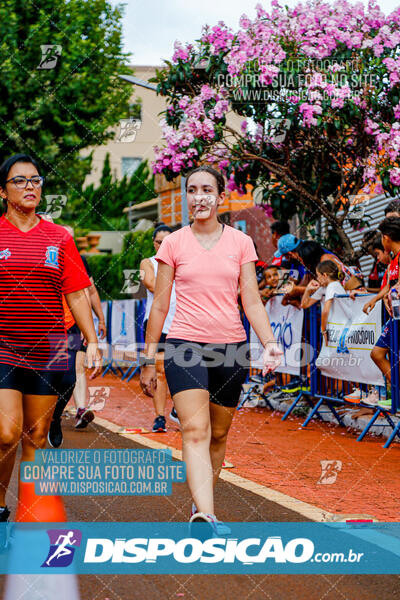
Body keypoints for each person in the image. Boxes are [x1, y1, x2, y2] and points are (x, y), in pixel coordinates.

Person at [140, 165, 282, 531]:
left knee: (218, 434)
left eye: (206, 190)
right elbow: (159, 303)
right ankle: (207, 513)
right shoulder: (173, 243)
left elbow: (250, 298)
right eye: (192, 190)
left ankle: (199, 503)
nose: (198, 197)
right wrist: (148, 356)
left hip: (231, 347)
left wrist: (270, 343)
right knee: (196, 431)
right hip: (184, 344)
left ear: (221, 197)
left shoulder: (240, 243)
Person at [0, 154, 102, 523]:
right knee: (5, 432)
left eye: (36, 180)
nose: (30, 186)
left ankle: (28, 514)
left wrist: (91, 341)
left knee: (36, 435)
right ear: (2, 191)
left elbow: (76, 292)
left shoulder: (59, 237)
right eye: (20, 180)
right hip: (4, 346)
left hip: (49, 348)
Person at [140, 225, 177, 432]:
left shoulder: (183, 262)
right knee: (161, 370)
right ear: (153, 243)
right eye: (159, 242)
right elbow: (153, 285)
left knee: (182, 368)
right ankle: (160, 416)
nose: (163, 245)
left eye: (167, 242)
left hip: (182, 322)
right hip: (158, 322)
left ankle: (178, 410)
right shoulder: (148, 263)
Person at [363, 218, 400, 405]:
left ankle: (397, 397)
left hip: (398, 316)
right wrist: (375, 298)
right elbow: (389, 285)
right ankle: (397, 395)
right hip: (395, 316)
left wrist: (392, 292)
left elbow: (397, 285)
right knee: (377, 353)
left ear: (386, 238)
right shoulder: (394, 258)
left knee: (379, 353)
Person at [300, 260, 347, 346]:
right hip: (333, 329)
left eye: (318, 276)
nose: (317, 279)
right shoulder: (324, 288)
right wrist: (307, 290)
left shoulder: (333, 286)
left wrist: (323, 330)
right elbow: (304, 305)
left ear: (324, 275)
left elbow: (326, 311)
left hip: (337, 328)